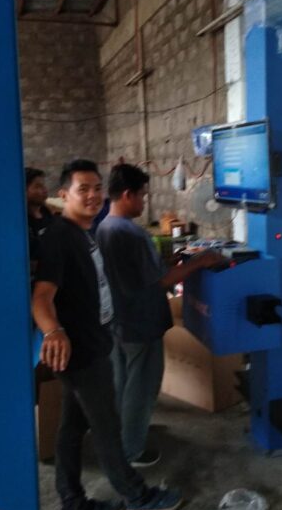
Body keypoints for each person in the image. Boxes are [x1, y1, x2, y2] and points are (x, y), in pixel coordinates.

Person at [32, 159, 182, 510]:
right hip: (82, 350)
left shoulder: (85, 232)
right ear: (64, 194)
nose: (93, 195)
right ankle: (137, 495)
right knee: (106, 427)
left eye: (97, 188)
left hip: (94, 342)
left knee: (72, 428)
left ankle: (73, 505)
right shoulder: (59, 237)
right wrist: (53, 332)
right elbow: (41, 296)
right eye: (82, 189)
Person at [96, 163, 226, 467]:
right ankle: (132, 451)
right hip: (140, 322)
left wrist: (174, 260)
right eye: (142, 195)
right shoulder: (130, 233)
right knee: (142, 388)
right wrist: (200, 261)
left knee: (123, 383)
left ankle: (121, 437)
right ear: (127, 195)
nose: (144, 202)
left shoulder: (104, 227)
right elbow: (162, 282)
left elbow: (141, 272)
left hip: (117, 321)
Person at [25, 167, 53, 275]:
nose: (44, 190)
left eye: (44, 186)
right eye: (38, 186)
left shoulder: (47, 213)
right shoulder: (23, 223)